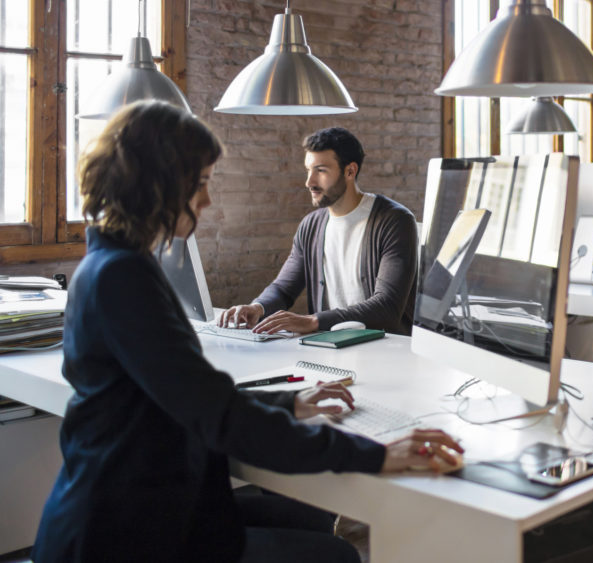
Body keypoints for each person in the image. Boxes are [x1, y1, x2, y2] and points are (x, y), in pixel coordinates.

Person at [32, 101, 462, 563]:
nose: (206, 200)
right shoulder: (123, 278)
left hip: (146, 501)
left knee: (319, 521)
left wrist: (291, 402)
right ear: (159, 183)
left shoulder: (114, 264)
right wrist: (374, 455)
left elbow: (190, 397)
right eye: (199, 183)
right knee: (335, 556)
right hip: (125, 532)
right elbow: (217, 413)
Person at [220, 127, 418, 336]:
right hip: (328, 349)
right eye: (308, 170)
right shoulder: (311, 225)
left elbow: (387, 307)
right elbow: (283, 289)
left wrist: (313, 321)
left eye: (321, 170)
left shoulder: (395, 221)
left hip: (384, 350)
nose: (309, 182)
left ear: (350, 171)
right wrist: (257, 307)